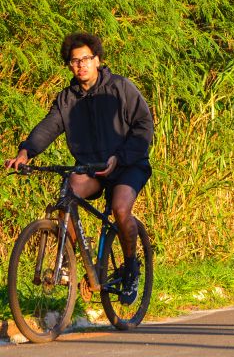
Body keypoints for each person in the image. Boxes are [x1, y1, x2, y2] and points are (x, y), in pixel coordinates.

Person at [5, 32, 154, 305]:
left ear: (97, 60)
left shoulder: (121, 88)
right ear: (69, 66)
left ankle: (131, 268)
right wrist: (26, 151)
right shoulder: (67, 99)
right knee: (68, 195)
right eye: (75, 61)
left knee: (121, 209)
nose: (81, 65)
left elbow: (144, 127)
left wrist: (119, 158)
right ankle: (68, 263)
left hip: (128, 164)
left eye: (86, 58)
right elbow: (49, 126)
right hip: (92, 167)